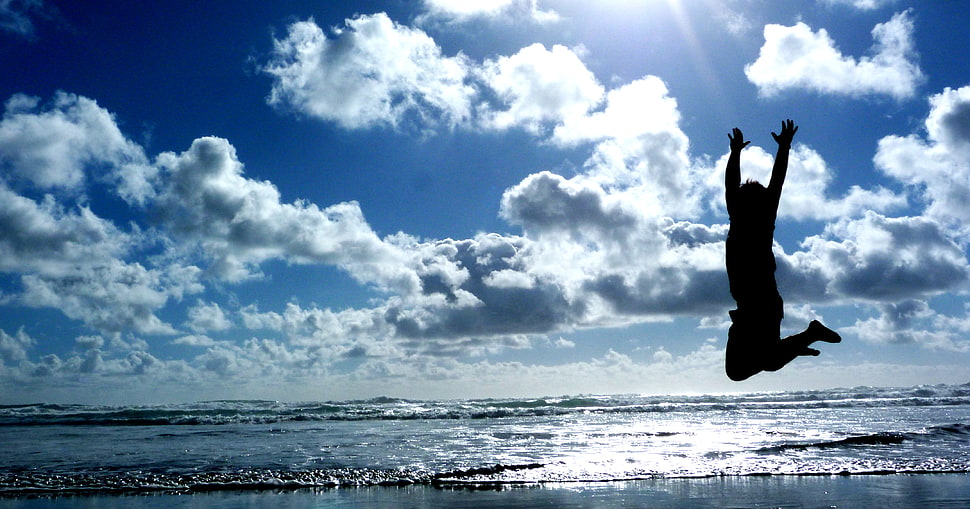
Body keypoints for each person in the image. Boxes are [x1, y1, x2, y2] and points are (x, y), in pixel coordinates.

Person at [724, 119, 840, 381]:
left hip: (759, 306)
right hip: (752, 307)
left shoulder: (756, 219)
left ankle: (805, 337)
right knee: (763, 363)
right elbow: (744, 186)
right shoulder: (746, 217)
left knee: (746, 368)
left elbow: (772, 182)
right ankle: (797, 343)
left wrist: (738, 153)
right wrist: (739, 153)